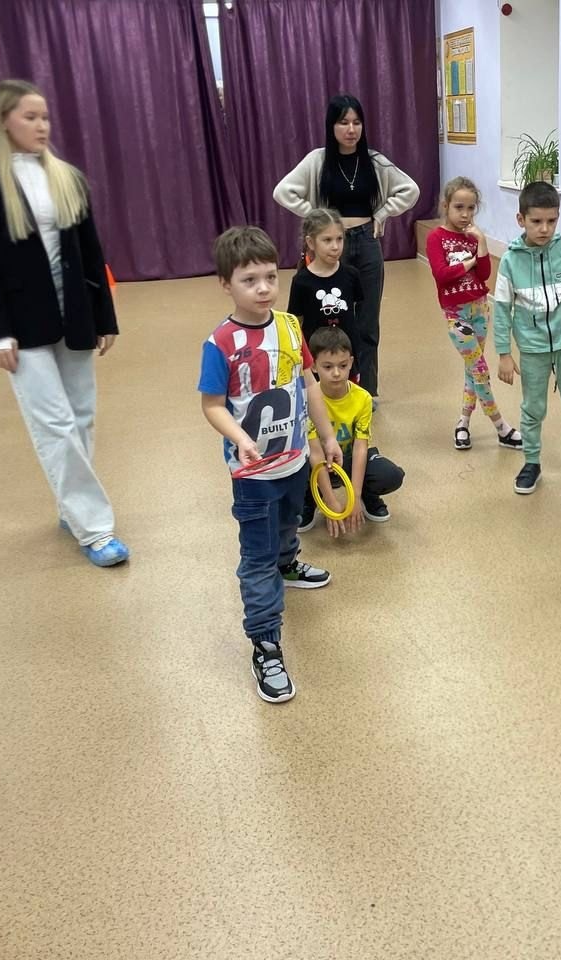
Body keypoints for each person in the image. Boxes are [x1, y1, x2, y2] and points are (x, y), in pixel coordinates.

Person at [0, 78, 128, 567]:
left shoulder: (67, 176)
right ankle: (95, 528)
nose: (42, 126)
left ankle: (72, 507)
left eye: (45, 117)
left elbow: (91, 253)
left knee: (82, 416)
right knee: (54, 424)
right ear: (3, 120)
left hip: (75, 316)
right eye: (30, 117)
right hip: (22, 324)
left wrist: (104, 317)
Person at [197, 226, 343, 704]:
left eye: (269, 277)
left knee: (288, 523)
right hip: (253, 475)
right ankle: (265, 643)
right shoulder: (220, 343)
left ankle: (289, 563)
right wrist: (240, 438)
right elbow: (212, 405)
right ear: (226, 284)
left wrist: (325, 437)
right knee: (257, 559)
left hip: (294, 460)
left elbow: (309, 384)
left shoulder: (291, 327)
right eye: (249, 280)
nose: (263, 289)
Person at [273, 93, 420, 399]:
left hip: (366, 242)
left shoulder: (374, 161)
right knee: (323, 318)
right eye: (343, 123)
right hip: (328, 246)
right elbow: (283, 191)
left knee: (366, 322)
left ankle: (366, 391)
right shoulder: (318, 160)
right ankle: (322, 388)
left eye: (356, 122)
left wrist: (383, 213)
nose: (351, 129)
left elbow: (410, 189)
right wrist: (317, 219)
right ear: (332, 126)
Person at [494, 180, 561, 496]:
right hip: (533, 348)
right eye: (536, 221)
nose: (544, 229)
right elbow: (501, 309)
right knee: (533, 408)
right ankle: (531, 462)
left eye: (551, 221)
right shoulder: (510, 262)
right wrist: (504, 353)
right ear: (521, 220)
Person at [425, 177, 523, 452]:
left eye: (471, 208)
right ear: (446, 206)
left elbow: (484, 274)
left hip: (480, 308)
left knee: (472, 369)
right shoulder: (436, 238)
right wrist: (468, 263)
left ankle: (463, 423)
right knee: (480, 369)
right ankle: (501, 427)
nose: (465, 214)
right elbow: (442, 275)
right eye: (459, 207)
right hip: (456, 315)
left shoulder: (473, 236)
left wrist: (481, 242)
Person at [301, 327, 405, 536]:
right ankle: (310, 499)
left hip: (348, 460)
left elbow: (360, 448)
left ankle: (367, 494)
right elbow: (316, 453)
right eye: (327, 367)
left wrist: (354, 497)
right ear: (313, 366)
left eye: (342, 365)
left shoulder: (362, 398)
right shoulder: (307, 400)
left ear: (351, 362)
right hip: (318, 463)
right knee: (293, 474)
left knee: (391, 475)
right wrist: (330, 502)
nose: (336, 373)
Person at [287, 207, 363, 364]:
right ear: (311, 242)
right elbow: (295, 323)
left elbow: (353, 313)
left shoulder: (352, 275)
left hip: (347, 356)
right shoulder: (301, 281)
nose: (335, 246)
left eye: (339, 239)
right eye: (327, 240)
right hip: (316, 359)